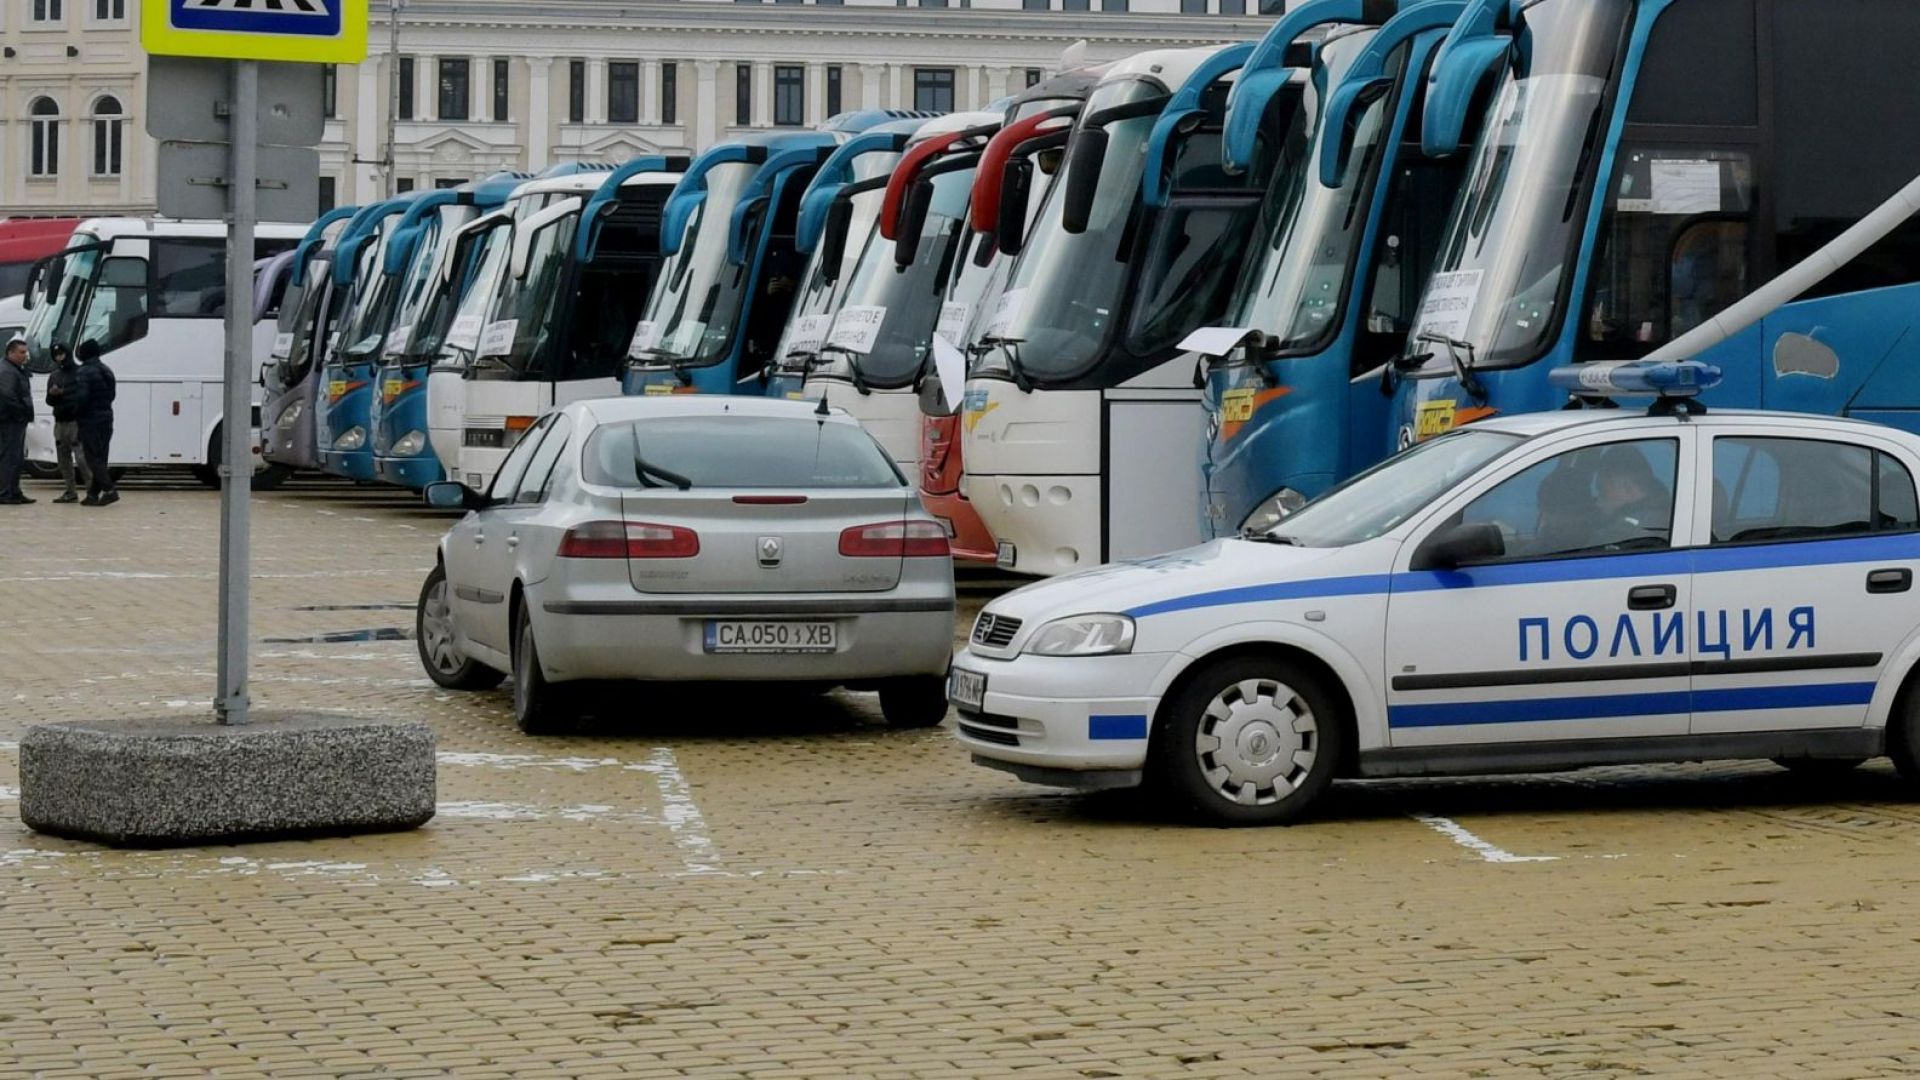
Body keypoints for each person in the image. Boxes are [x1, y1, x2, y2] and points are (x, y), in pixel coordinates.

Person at [71, 339, 118, 507]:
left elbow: (82, 398)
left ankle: (109, 490)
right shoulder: (107, 370)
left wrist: (76, 412)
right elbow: (112, 395)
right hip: (106, 417)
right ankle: (93, 494)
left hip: (90, 420)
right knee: (101, 457)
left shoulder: (84, 372)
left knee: (92, 457)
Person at [44, 343, 91, 504]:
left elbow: (84, 397)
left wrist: (64, 394)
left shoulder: (80, 373)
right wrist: (53, 395)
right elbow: (49, 401)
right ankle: (70, 491)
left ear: (68, 353)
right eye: (56, 355)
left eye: (61, 354)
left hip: (76, 421)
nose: (59, 357)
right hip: (60, 421)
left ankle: (91, 490)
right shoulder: (54, 375)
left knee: (81, 458)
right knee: (63, 459)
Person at [0, 336, 33, 505]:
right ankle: (5, 492)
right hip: (10, 419)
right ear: (11, 353)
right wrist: (21, 412)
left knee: (17, 457)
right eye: (21, 352)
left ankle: (14, 491)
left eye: (25, 352)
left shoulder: (16, 369)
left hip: (16, 419)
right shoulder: (6, 370)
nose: (25, 355)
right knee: (9, 457)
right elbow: (7, 396)